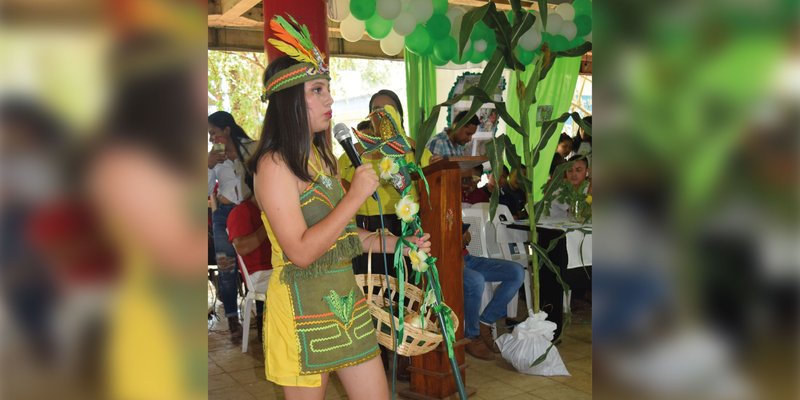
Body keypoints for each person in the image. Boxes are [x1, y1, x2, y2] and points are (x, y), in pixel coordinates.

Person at [249, 19, 431, 399]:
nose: (330, 99)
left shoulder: (321, 158)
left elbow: (349, 237)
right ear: (289, 100)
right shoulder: (273, 165)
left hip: (347, 303)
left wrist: (400, 244)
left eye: (328, 89)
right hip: (302, 311)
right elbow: (299, 251)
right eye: (317, 90)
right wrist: (353, 198)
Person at [338, 89, 431, 381]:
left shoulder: (415, 151)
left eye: (388, 110)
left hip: (403, 228)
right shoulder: (352, 155)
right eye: (375, 109)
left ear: (399, 116)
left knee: (402, 294)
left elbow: (434, 180)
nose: (381, 116)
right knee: (371, 295)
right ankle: (373, 357)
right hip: (366, 230)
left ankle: (402, 356)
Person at [207, 110, 257, 340]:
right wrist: (208, 167)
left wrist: (237, 159)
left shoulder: (252, 147)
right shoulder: (212, 156)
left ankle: (261, 316)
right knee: (226, 269)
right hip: (224, 215)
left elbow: (258, 178)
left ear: (226, 130)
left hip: (250, 212)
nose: (210, 139)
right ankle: (233, 322)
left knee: (256, 265)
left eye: (213, 133)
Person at [461, 225, 524, 360]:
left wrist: (463, 232)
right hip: (447, 261)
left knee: (516, 272)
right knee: (476, 280)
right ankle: (471, 336)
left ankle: (485, 322)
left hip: (467, 258)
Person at [226, 175, 272, 343]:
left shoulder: (271, 209)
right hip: (259, 275)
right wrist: (269, 221)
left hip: (275, 268)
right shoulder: (240, 212)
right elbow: (242, 247)